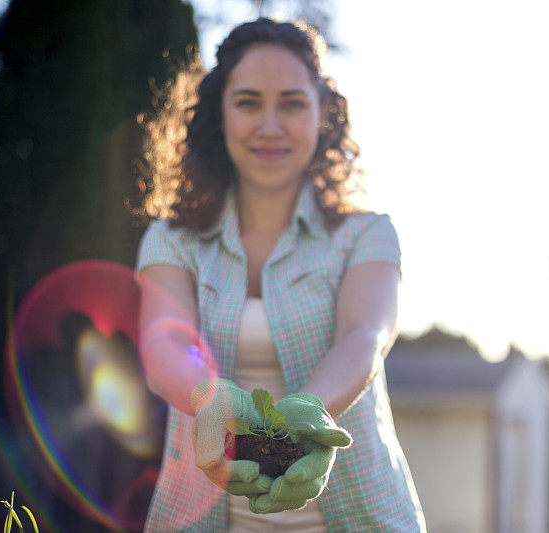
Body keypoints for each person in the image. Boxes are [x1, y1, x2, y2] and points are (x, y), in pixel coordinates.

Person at [134, 17, 426, 532]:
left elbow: (365, 336)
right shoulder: (171, 239)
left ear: (322, 115)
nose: (270, 126)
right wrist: (211, 399)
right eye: (248, 103)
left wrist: (307, 410)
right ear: (219, 115)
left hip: (364, 516)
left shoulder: (367, 234)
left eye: (292, 103)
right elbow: (162, 347)